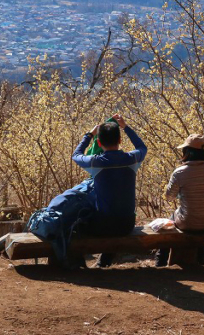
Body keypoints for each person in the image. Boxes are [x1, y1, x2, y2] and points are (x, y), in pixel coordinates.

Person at [27, 113, 146, 268]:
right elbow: (142, 147)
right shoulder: (133, 159)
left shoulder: (96, 162)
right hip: (127, 224)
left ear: (100, 142)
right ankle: (104, 262)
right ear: (120, 140)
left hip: (103, 225)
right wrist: (126, 127)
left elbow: (76, 155)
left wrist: (89, 135)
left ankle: (75, 264)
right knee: (112, 219)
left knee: (73, 224)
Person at [155, 133, 204, 267]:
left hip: (186, 223)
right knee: (201, 217)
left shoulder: (179, 172)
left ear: (187, 152)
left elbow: (169, 197)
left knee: (169, 220)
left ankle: (160, 262)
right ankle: (200, 260)